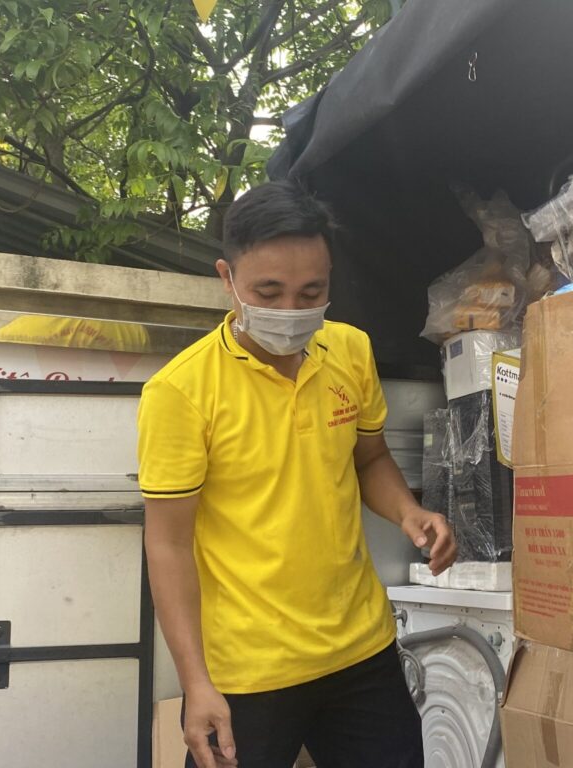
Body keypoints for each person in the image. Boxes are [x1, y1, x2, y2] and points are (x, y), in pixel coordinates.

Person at [138, 180, 456, 768]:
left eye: (312, 291)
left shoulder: (350, 351)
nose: (291, 311)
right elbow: (168, 545)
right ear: (227, 278)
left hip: (360, 650)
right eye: (269, 291)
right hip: (247, 673)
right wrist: (195, 683)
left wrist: (409, 512)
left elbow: (369, 459)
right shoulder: (180, 392)